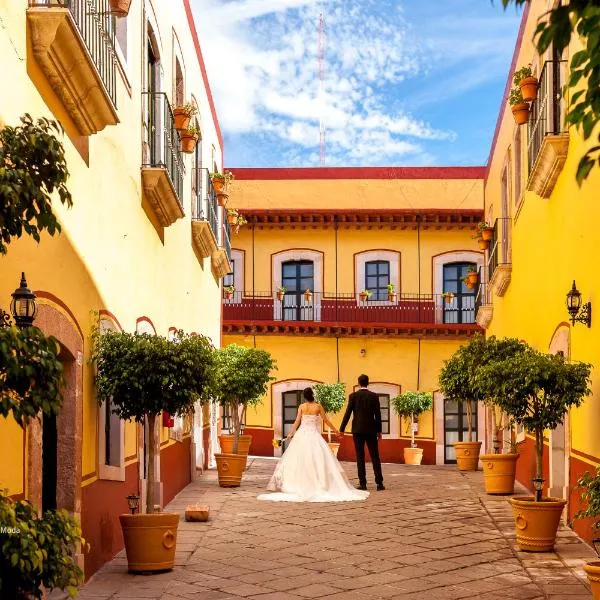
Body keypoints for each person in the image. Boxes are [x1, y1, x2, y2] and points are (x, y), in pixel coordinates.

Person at [257, 387, 369, 502]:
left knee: (300, 459)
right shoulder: (318, 406)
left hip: (302, 435)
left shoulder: (302, 407)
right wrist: (336, 431)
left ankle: (298, 484)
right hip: (314, 435)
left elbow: (297, 421)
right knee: (318, 458)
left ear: (305, 396)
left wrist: (290, 434)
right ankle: (319, 483)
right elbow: (326, 420)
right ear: (312, 395)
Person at [339, 374, 385, 491]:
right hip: (371, 430)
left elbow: (348, 413)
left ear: (359, 383)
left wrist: (342, 429)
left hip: (358, 430)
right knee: (375, 456)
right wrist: (379, 431)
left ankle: (363, 483)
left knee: (360, 456)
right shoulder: (374, 396)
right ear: (368, 383)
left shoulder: (353, 396)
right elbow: (378, 415)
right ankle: (379, 483)